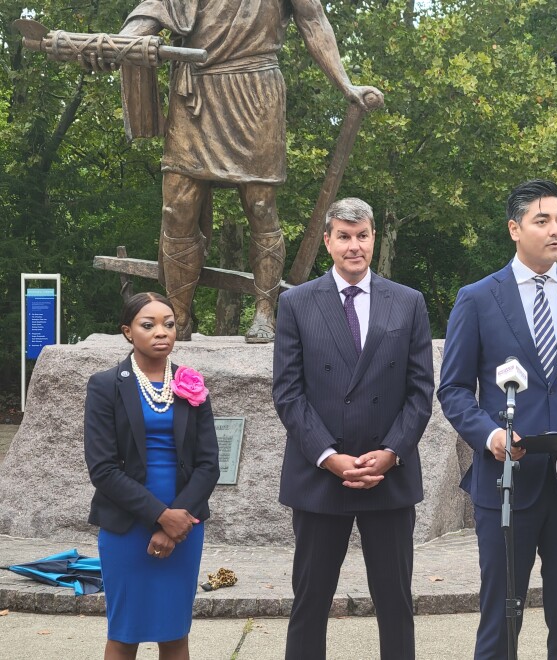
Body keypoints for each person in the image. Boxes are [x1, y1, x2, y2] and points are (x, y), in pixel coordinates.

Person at [117, 0, 382, 342]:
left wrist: (346, 84)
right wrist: (121, 43)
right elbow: (151, 14)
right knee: (176, 208)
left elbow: (314, 21)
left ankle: (264, 312)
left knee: (260, 207)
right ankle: (177, 317)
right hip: (194, 93)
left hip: (254, 89)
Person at [437, 179, 557, 659]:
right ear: (515, 229)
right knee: (502, 615)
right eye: (543, 221)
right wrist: (491, 434)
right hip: (506, 483)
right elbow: (454, 389)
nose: (556, 230)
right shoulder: (478, 298)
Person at [272, 197, 434, 659]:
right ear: (327, 242)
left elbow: (421, 391)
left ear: (373, 238)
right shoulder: (297, 304)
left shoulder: (408, 302)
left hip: (389, 475)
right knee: (310, 602)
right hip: (320, 476)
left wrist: (392, 451)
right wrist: (329, 456)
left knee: (395, 602)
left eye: (362, 235)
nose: (354, 245)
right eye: (343, 236)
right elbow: (287, 393)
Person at [84, 292, 220, 659]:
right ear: (128, 332)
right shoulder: (105, 385)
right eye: (149, 325)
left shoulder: (192, 384)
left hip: (185, 526)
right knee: (125, 634)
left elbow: (209, 464)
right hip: (127, 527)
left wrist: (180, 517)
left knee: (175, 634)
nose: (162, 332)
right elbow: (103, 468)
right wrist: (162, 517)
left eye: (170, 324)